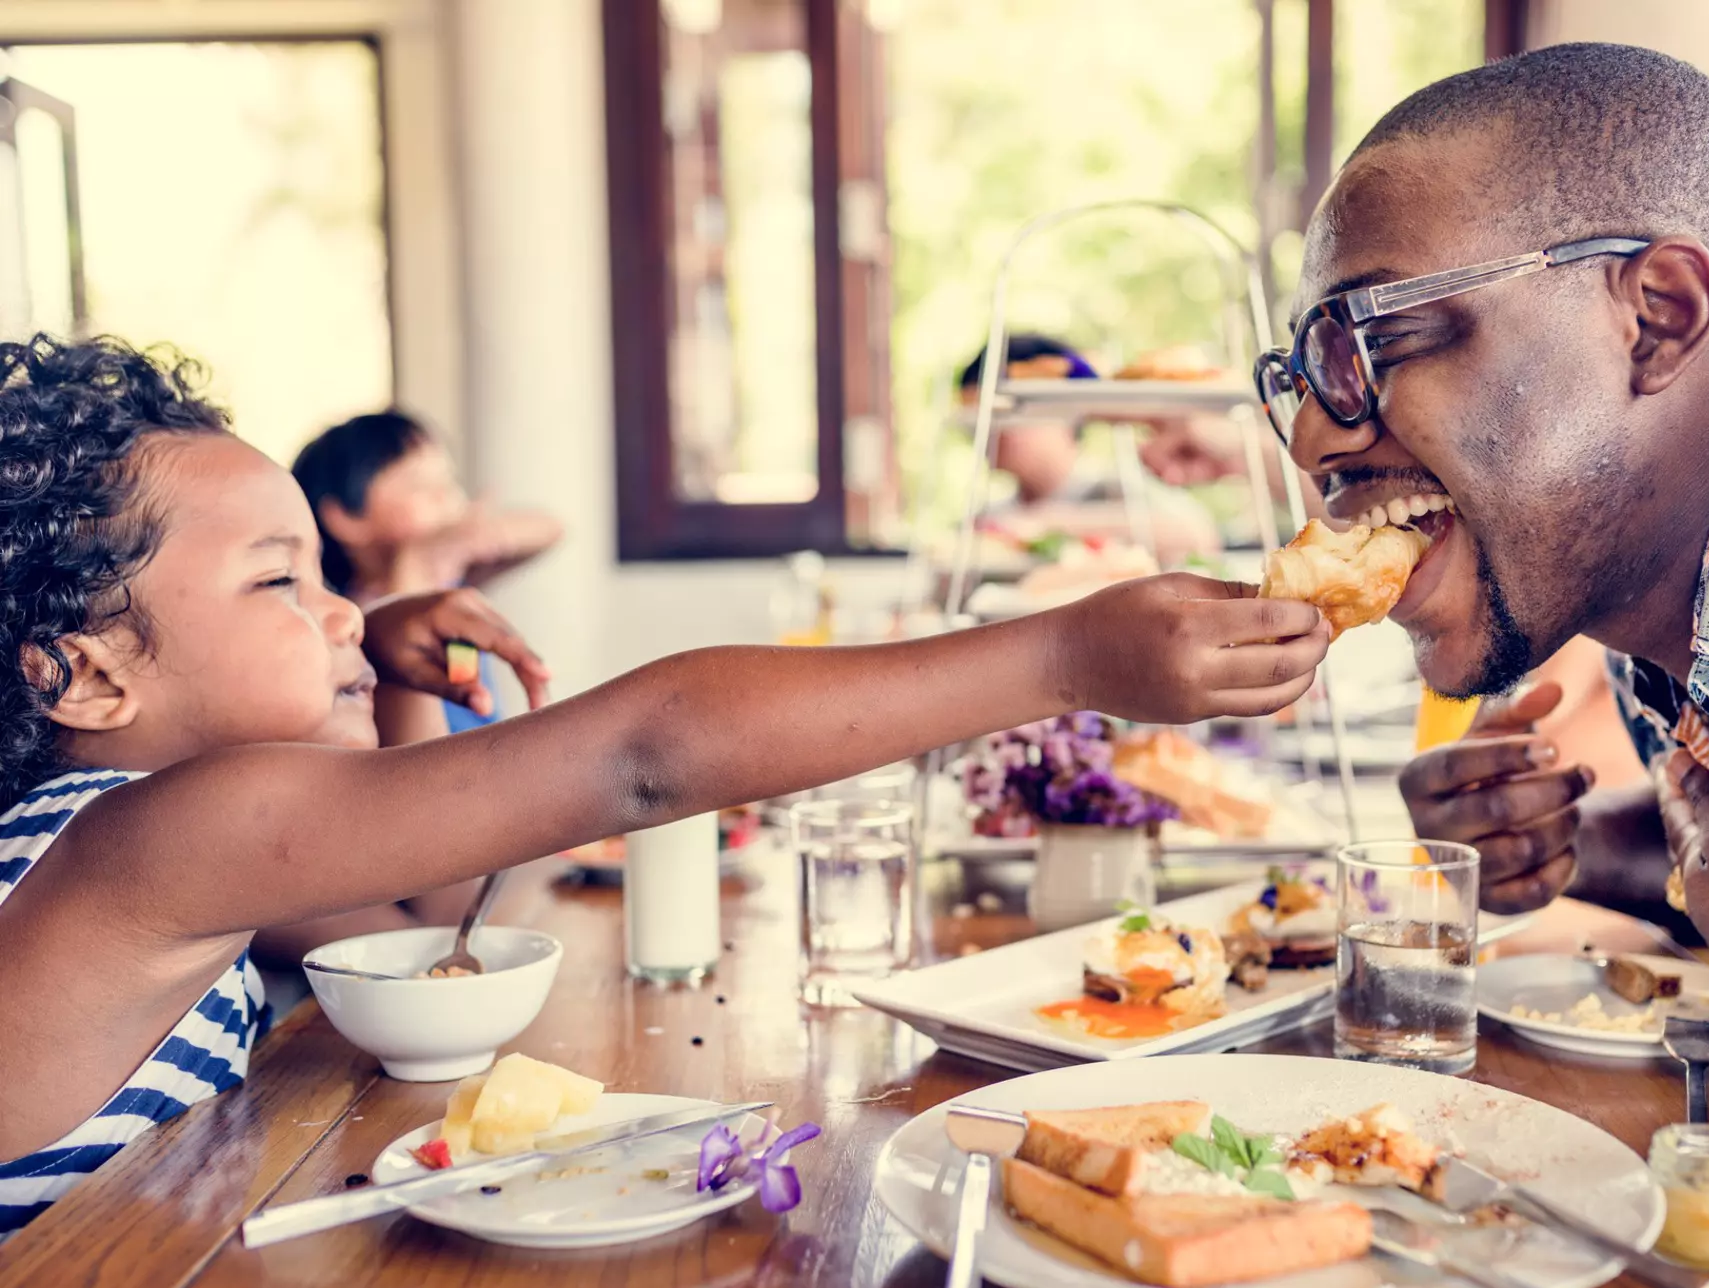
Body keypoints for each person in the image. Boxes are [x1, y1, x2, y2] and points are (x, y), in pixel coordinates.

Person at [0, 335, 1328, 1239]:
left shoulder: (140, 852)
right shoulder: (147, 846)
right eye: (280, 581)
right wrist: (1064, 653)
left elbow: (429, 918)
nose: (342, 613)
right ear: (85, 676)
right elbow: (642, 756)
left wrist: (392, 671)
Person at [1264, 43, 1709, 1111]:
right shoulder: (1678, 567)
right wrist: (1586, 847)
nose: (1310, 437)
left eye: (1375, 337)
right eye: (1301, 373)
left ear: (1654, 315)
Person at [292, 410, 562, 730]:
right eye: (420, 485)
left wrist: (488, 533)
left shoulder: (453, 580)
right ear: (345, 518)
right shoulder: (350, 624)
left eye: (448, 481)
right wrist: (415, 560)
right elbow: (403, 622)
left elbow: (551, 528)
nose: (445, 495)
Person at [957, 335, 1221, 563]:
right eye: (976, 422)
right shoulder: (993, 515)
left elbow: (1197, 535)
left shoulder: (1115, 487)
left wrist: (1047, 523)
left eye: (1003, 415)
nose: (991, 434)